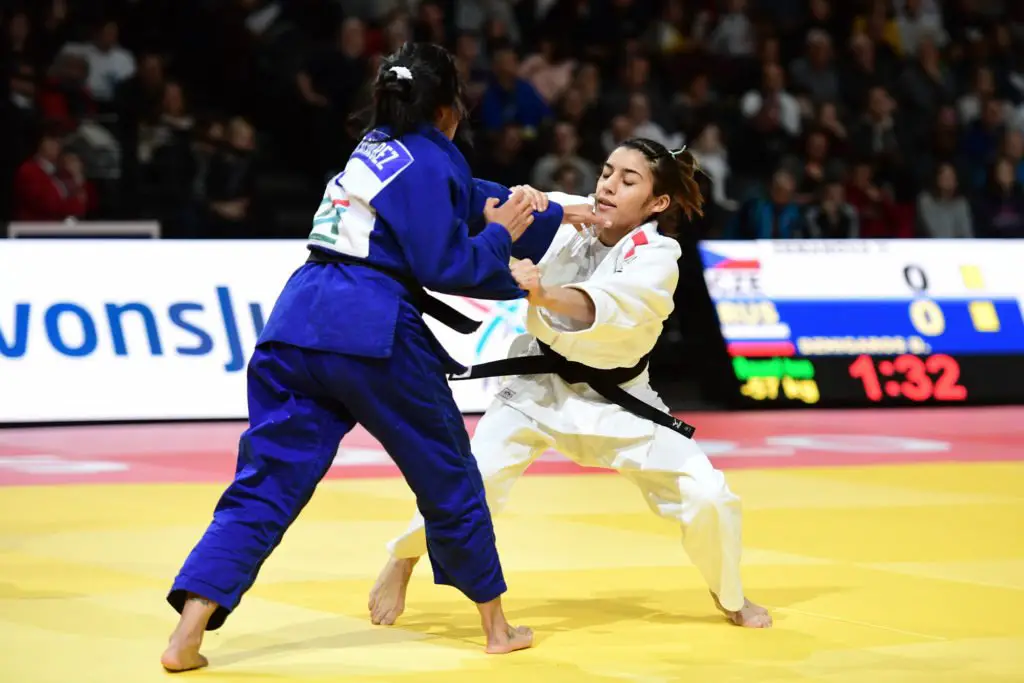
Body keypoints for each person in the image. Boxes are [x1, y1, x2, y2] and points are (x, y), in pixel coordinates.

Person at [160, 43, 601, 672]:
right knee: (448, 471)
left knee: (265, 482)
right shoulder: (432, 157)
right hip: (369, 328)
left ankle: (187, 634)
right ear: (448, 108)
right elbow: (446, 262)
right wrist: (503, 239)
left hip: (296, 322)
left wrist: (552, 209)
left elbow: (466, 195)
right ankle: (497, 628)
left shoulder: (373, 148)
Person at [368, 137, 773, 630]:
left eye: (628, 180)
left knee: (708, 496)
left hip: (621, 401)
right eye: (606, 172)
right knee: (471, 482)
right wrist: (522, 204)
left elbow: (595, 308)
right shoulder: (566, 214)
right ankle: (403, 559)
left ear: (657, 203)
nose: (609, 186)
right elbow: (484, 204)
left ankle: (729, 593)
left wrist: (541, 291)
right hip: (536, 387)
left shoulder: (658, 255)